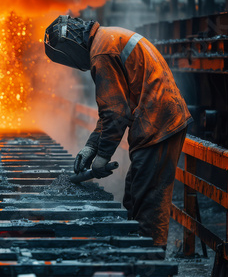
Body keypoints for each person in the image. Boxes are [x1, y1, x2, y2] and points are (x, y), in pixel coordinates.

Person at [44, 15, 193, 247]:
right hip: (159, 119)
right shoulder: (107, 38)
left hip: (158, 124)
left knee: (148, 203)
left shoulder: (101, 53)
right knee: (134, 196)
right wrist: (91, 147)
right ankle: (138, 252)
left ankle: (150, 263)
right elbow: (113, 108)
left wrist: (102, 157)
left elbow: (115, 112)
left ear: (71, 50)